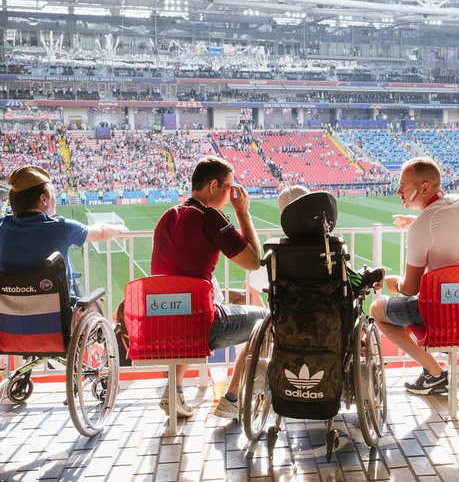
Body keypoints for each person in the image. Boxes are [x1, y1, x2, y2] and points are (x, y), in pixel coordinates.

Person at [372, 157, 459, 395]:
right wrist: (415, 221)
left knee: (377, 310)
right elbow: (442, 221)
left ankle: (435, 375)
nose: (398, 191)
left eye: (404, 185)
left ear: (424, 188)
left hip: (444, 319)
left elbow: (410, 288)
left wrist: (394, 283)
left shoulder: (420, 228)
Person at [150, 156, 266, 419]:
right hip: (202, 324)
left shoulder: (168, 216)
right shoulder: (210, 216)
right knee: (267, 320)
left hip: (163, 320)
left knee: (190, 308)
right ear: (213, 186)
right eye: (230, 188)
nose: (231, 195)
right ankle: (233, 398)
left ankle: (174, 390)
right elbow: (253, 261)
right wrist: (242, 212)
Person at [0, 165, 128, 302]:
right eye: (53, 194)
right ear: (43, 200)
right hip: (58, 316)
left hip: (10, 319)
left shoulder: (2, 227)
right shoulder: (62, 227)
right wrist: (119, 229)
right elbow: (101, 232)